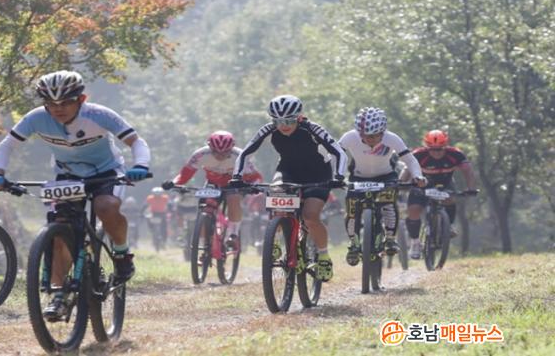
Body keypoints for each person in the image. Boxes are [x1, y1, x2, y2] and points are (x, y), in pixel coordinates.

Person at [0, 70, 150, 319]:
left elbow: (137, 142)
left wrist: (140, 166)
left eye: (65, 102)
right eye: (51, 103)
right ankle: (59, 295)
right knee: (59, 232)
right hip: (67, 175)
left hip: (106, 172)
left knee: (105, 207)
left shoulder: (99, 115)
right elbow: (8, 145)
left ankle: (122, 253)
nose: (58, 109)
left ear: (81, 99)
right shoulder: (36, 118)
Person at [229, 95, 347, 282]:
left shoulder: (312, 128)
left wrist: (339, 177)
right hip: (288, 170)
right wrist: (236, 177)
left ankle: (323, 255)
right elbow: (245, 153)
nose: (283, 125)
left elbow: (339, 152)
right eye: (278, 121)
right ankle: (275, 239)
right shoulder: (268, 129)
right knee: (276, 194)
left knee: (310, 216)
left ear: (299, 117)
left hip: (318, 173)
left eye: (289, 121)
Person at [338, 107, 427, 266]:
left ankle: (390, 239)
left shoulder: (392, 138)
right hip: (358, 177)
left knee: (388, 204)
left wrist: (418, 176)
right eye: (365, 135)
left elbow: (410, 160)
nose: (370, 139)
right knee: (352, 209)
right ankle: (353, 244)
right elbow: (335, 155)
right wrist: (334, 175)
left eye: (374, 135)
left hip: (386, 176)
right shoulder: (350, 137)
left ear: (383, 132)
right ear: (359, 132)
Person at [162, 131, 263, 251]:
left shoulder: (241, 156)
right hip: (213, 183)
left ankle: (233, 234)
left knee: (234, 198)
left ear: (231, 148)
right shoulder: (200, 155)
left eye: (225, 152)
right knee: (204, 206)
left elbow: (256, 177)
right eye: (215, 152)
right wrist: (173, 183)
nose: (220, 156)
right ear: (209, 147)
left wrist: (254, 186)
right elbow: (185, 174)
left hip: (235, 184)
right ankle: (206, 242)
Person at [400, 130, 478, 259]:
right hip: (421, 185)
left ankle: (449, 225)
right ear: (427, 147)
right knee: (414, 210)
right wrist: (402, 184)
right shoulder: (419, 154)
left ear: (445, 146)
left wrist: (471, 188)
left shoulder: (455, 154)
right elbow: (407, 170)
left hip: (445, 183)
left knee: (450, 199)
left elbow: (468, 171)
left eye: (440, 149)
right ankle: (415, 243)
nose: (436, 152)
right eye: (433, 149)